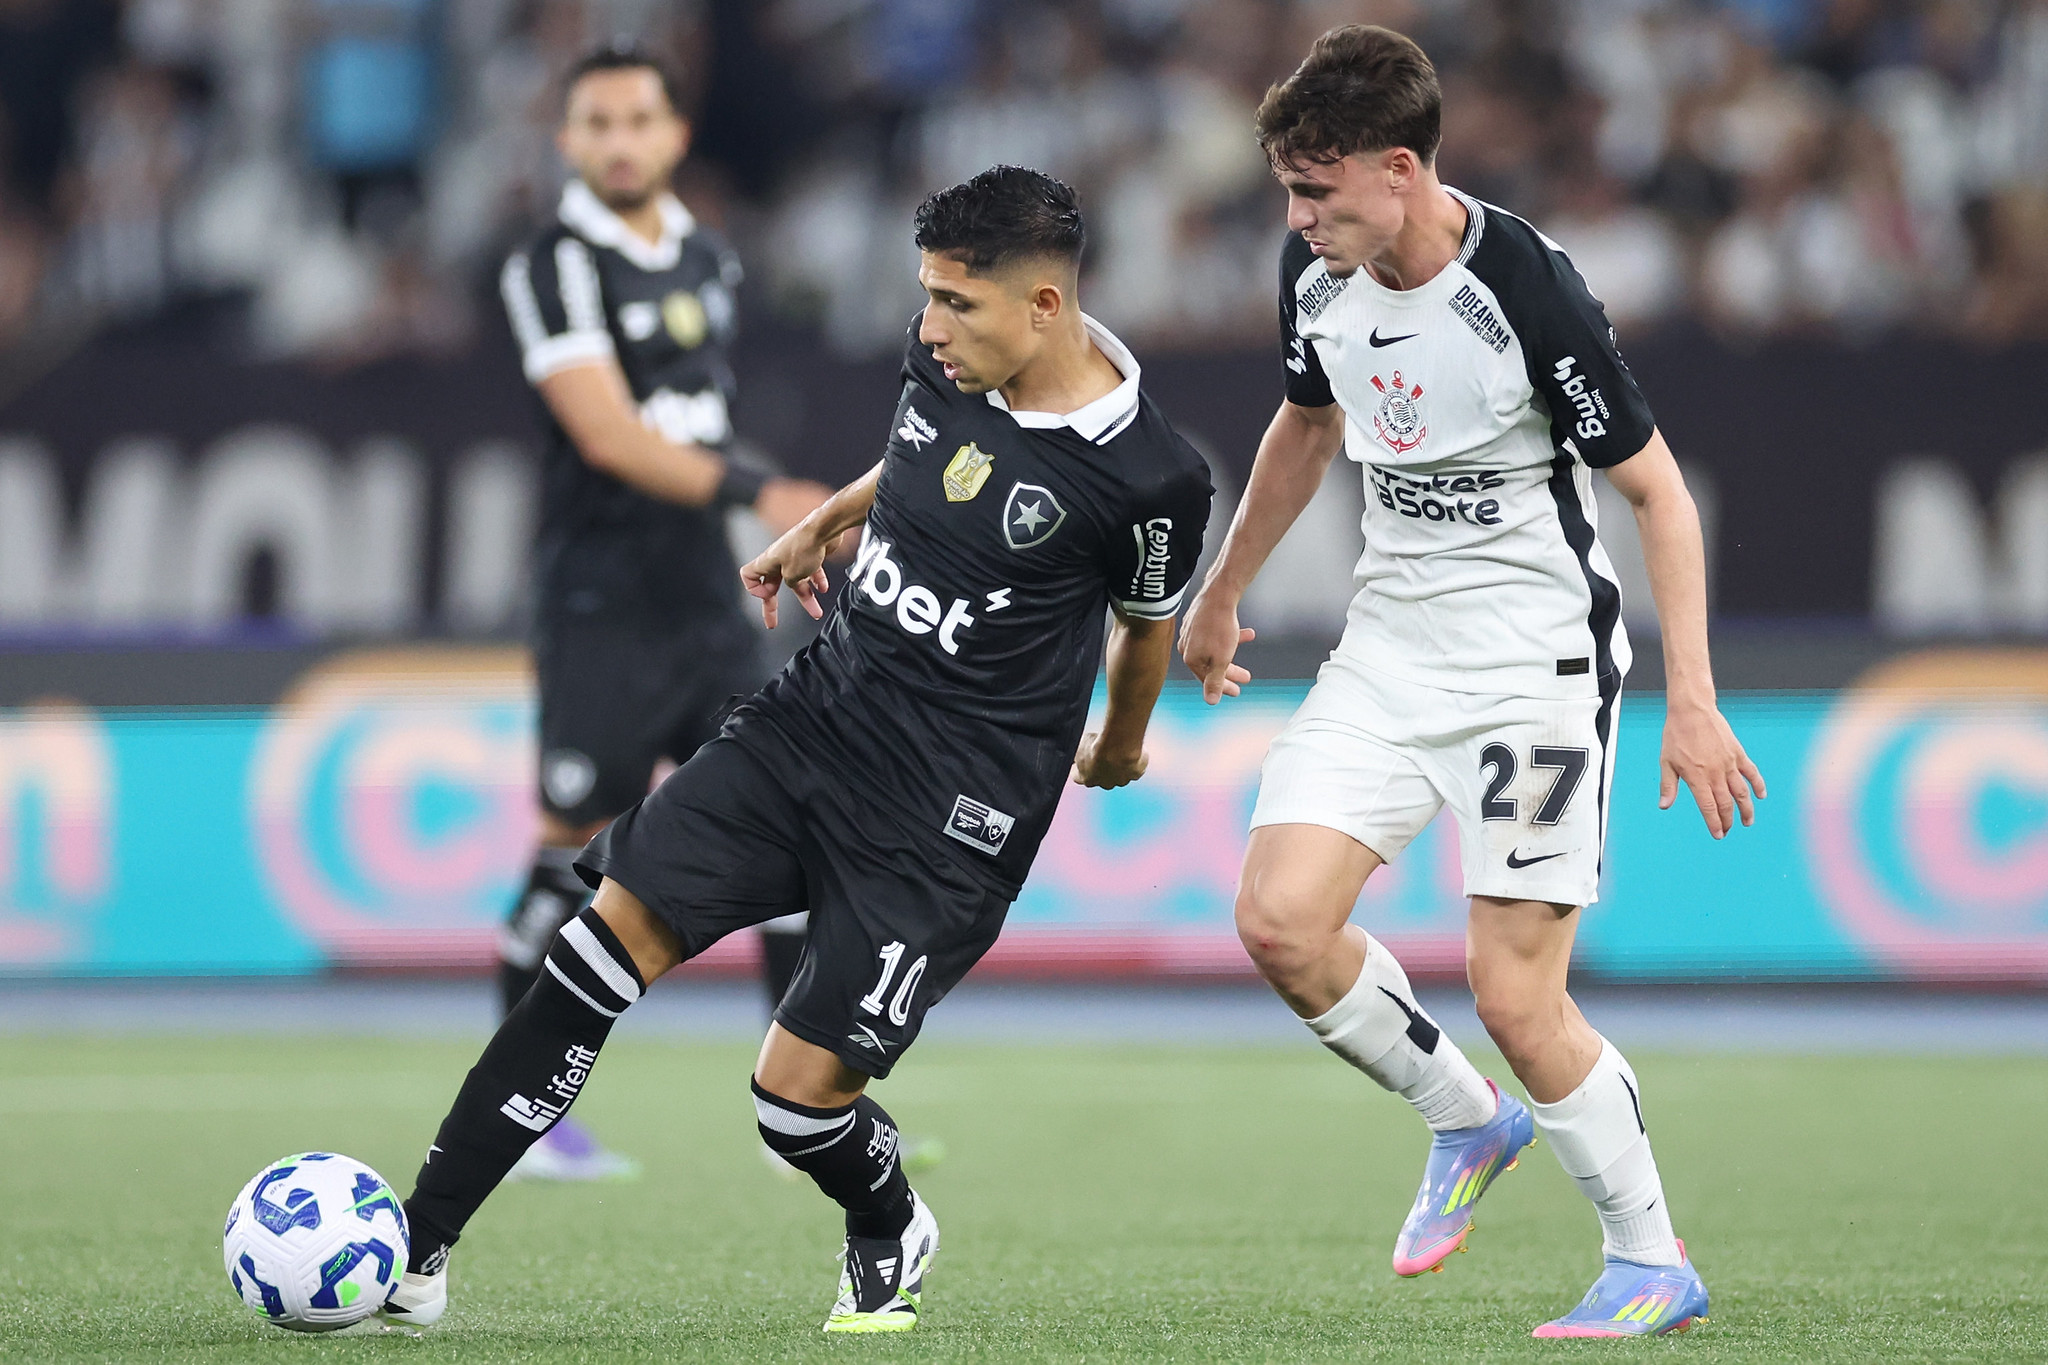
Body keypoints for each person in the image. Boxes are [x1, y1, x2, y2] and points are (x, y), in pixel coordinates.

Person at [383, 165, 1216, 1334]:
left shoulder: (1152, 479)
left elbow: (1142, 633)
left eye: (955, 304)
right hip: (811, 722)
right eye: (925, 296)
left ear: (1042, 306)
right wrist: (825, 519)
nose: (928, 328)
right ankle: (415, 1255)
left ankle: (885, 1223)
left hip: (947, 818)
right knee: (595, 950)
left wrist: (1120, 748)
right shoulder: (947, 359)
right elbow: (922, 460)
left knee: (795, 1106)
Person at [1178, 26, 1764, 1339]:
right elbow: (1307, 425)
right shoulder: (1314, 273)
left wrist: (1695, 697)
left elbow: (1657, 494)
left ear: (1400, 169)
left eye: (1316, 190)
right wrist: (1220, 594)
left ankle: (1649, 1254)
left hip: (1532, 667)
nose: (1295, 216)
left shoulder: (1531, 287)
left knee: (1514, 995)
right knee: (1278, 921)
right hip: (1390, 649)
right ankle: (1465, 1118)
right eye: (1288, 190)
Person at [494, 43, 833, 1181]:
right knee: (569, 852)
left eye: (639, 119)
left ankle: (804, 1109)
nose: (621, 140)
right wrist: (759, 491)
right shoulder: (551, 265)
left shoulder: (705, 256)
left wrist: (780, 508)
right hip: (599, 604)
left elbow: (699, 421)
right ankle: (529, 1121)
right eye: (597, 123)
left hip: (702, 596)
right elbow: (608, 434)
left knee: (794, 826)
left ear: (675, 135)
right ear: (568, 141)